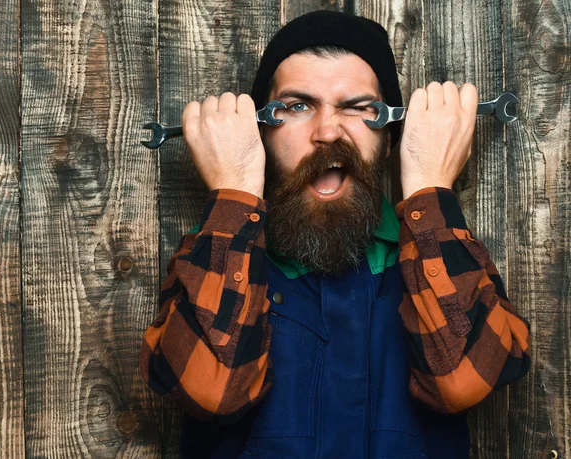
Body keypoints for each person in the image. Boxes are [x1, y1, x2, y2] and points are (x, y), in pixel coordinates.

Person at [140, 10, 531, 459]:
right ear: (258, 131)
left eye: (359, 107)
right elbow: (211, 392)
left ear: (391, 132)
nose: (327, 132)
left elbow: (465, 382)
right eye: (297, 106)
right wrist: (233, 190)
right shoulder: (212, 256)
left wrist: (429, 183)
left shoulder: (438, 252)